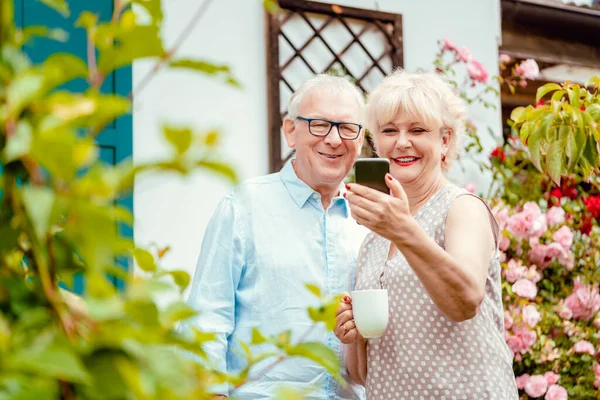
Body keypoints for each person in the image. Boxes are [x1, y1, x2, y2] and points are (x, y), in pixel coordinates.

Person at [334, 70, 518, 399]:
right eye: (389, 130)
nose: (402, 142)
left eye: (417, 130)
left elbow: (465, 302)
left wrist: (404, 230)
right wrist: (353, 337)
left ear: (444, 140)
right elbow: (364, 374)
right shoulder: (374, 239)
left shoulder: (462, 208)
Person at [185, 74, 368, 399]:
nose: (334, 139)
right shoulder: (243, 207)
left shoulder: (368, 222)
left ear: (361, 136)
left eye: (347, 128)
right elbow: (205, 320)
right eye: (319, 124)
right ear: (290, 131)